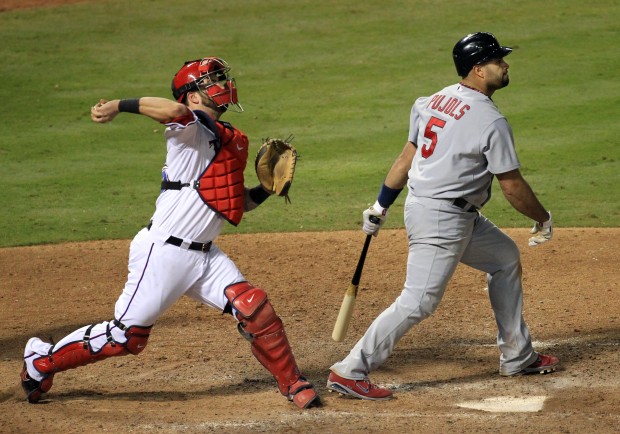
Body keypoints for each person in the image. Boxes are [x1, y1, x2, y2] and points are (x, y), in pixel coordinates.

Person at [20, 57, 319, 409]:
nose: (220, 85)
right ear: (192, 96)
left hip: (205, 256)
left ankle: (293, 383)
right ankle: (41, 362)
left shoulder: (231, 140)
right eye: (209, 81)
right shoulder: (187, 130)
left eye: (220, 79)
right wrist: (118, 105)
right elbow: (169, 111)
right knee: (127, 337)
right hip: (163, 253)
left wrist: (265, 191)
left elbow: (233, 203)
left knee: (255, 309)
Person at [326, 32, 559, 401]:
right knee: (418, 300)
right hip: (441, 217)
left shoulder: (433, 100)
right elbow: (512, 187)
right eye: (498, 61)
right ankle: (351, 370)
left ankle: (517, 355)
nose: (506, 65)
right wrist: (543, 218)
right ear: (479, 69)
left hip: (444, 212)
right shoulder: (491, 122)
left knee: (504, 258)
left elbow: (407, 157)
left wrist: (381, 203)